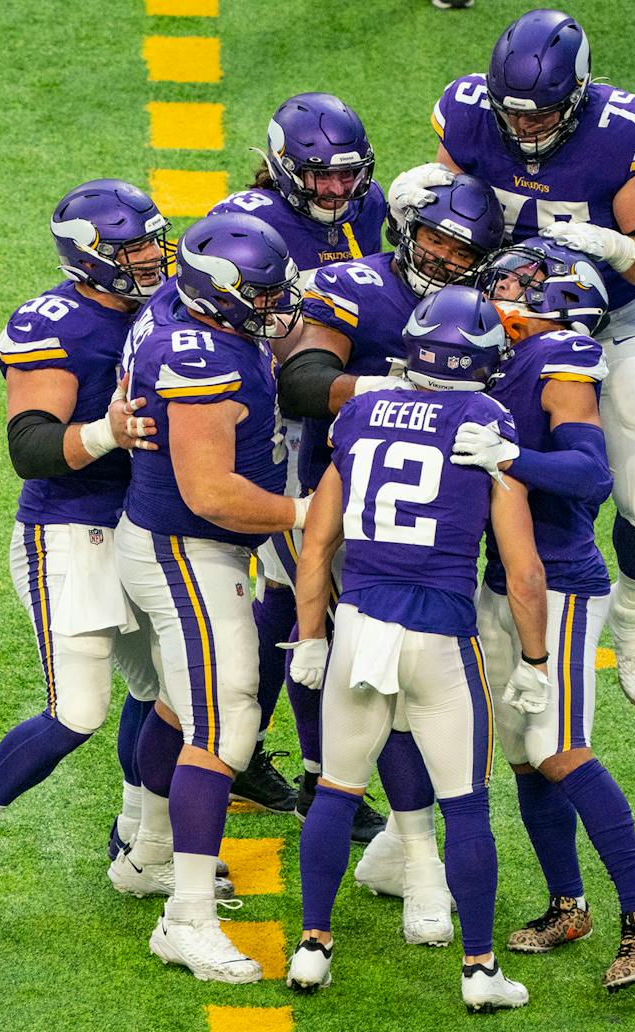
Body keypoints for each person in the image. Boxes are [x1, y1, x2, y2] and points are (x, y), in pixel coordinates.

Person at [285, 286, 545, 1013]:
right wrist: (535, 660)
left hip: (360, 628)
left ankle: (312, 947)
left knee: (336, 791)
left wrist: (310, 635)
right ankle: (479, 968)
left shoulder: (360, 412)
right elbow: (522, 572)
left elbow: (318, 542)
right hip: (437, 634)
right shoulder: (486, 419)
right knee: (465, 806)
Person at [427, 7, 635, 705]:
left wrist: (614, 247)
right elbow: (446, 206)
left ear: (576, 96)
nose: (525, 128)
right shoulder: (470, 113)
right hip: (494, 322)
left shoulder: (623, 132)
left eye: (542, 115)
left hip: (604, 319)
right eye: (515, 114)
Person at [0, 180, 169, 918]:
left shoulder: (169, 304)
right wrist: (108, 432)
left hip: (148, 526)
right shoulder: (54, 321)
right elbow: (30, 446)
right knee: (78, 712)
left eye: (156, 240)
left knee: (171, 695)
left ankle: (139, 843)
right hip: (69, 530)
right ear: (89, 257)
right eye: (132, 249)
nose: (152, 258)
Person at [276, 170, 505, 943]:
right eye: (435, 237)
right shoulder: (357, 286)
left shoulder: (496, 302)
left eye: (460, 248)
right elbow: (301, 381)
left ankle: (401, 869)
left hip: (424, 531)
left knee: (393, 702)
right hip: (344, 513)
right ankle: (419, 864)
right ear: (408, 228)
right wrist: (405, 386)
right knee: (393, 706)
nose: (441, 257)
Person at [455, 238, 635, 990]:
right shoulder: (513, 356)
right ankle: (568, 904)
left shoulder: (563, 359)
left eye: (521, 281)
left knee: (560, 749)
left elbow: (588, 473)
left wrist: (507, 458)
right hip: (506, 579)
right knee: (522, 752)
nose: (504, 287)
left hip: (559, 586)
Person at [113, 212, 310, 984]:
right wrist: (306, 512)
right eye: (261, 296)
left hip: (171, 541)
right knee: (227, 729)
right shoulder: (198, 357)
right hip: (187, 550)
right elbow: (213, 492)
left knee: (175, 704)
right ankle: (185, 920)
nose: (275, 307)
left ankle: (148, 858)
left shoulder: (176, 307)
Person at [206, 92, 388, 818]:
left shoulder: (370, 209)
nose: (336, 191)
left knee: (287, 593)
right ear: (281, 166)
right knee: (322, 599)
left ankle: (244, 751)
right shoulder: (240, 230)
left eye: (347, 176)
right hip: (268, 428)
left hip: (334, 421)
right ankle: (321, 779)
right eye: (319, 176)